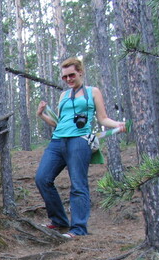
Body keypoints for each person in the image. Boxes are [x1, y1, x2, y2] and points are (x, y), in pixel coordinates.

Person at [34, 57, 125, 238]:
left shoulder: (93, 92)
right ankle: (59, 220)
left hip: (79, 140)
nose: (68, 79)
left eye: (72, 75)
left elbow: (102, 118)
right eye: (64, 77)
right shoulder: (64, 96)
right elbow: (58, 122)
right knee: (42, 178)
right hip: (58, 141)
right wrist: (41, 115)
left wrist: (117, 125)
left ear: (81, 72)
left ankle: (78, 229)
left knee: (78, 184)